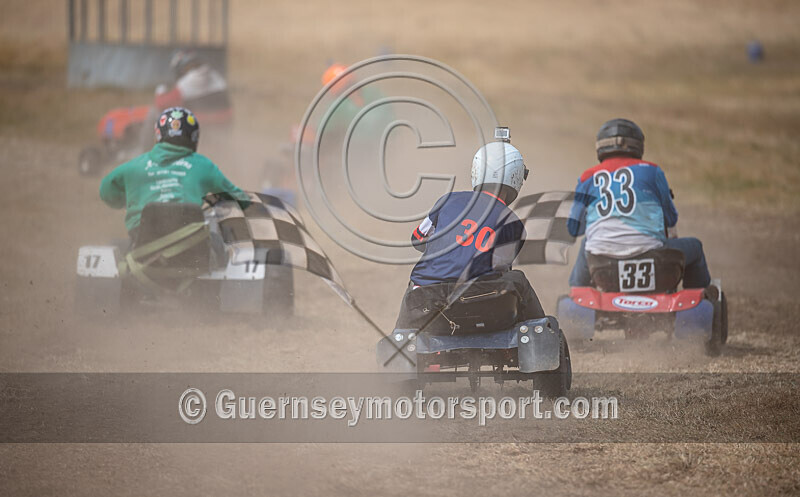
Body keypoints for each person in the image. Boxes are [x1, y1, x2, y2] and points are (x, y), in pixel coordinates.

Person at [394, 136, 545, 329]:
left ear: (477, 171)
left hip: (427, 299)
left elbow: (417, 239)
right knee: (518, 279)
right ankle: (537, 331)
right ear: (516, 177)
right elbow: (502, 267)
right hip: (482, 300)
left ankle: (399, 337)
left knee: (415, 282)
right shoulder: (513, 222)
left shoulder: (448, 200)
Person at [567, 118, 711, 289]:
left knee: (587, 244)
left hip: (603, 269)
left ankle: (578, 295)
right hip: (654, 262)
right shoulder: (652, 171)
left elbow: (573, 229)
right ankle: (694, 300)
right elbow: (670, 220)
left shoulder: (587, 177)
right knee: (695, 246)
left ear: (601, 146)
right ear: (638, 145)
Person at [100, 107, 248, 243]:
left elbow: (106, 192)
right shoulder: (203, 165)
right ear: (194, 137)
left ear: (157, 136)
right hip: (191, 246)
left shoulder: (134, 166)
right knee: (219, 241)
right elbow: (238, 198)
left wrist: (126, 200)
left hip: (143, 246)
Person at [155, 51, 232, 124]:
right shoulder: (216, 76)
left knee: (155, 112)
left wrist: (160, 91)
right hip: (225, 124)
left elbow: (161, 104)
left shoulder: (188, 81)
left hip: (199, 126)